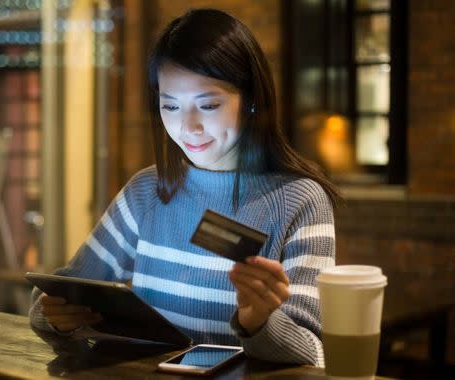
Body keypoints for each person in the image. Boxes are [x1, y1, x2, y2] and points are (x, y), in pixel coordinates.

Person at [29, 8, 340, 366]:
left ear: (251, 99)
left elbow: (314, 354)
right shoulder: (147, 191)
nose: (187, 126)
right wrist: (54, 315)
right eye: (170, 105)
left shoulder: (301, 201)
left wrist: (259, 323)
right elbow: (56, 295)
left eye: (208, 105)